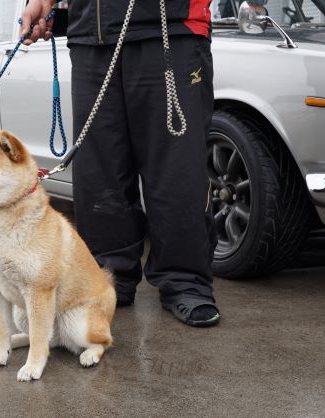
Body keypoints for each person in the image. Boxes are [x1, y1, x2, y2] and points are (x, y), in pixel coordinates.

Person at [20, 0, 221, 327]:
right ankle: (108, 275)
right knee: (99, 172)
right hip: (91, 38)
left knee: (176, 169)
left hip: (170, 30)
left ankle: (185, 280)